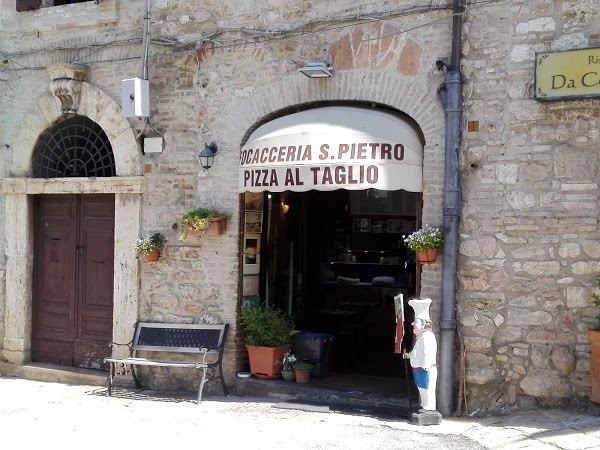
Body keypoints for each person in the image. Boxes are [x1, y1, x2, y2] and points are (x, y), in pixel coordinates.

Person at [408, 298, 438, 412]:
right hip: (418, 369)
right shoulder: (420, 337)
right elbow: (417, 351)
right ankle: (424, 405)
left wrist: (426, 365)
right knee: (421, 388)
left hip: (426, 369)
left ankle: (429, 407)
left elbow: (427, 353)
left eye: (416, 322)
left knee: (427, 389)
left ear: (424, 324)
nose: (413, 324)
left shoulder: (427, 337)